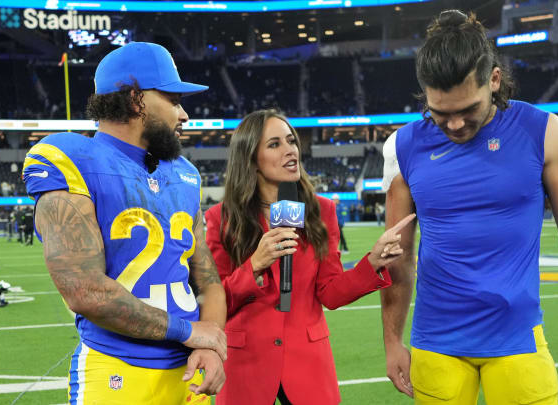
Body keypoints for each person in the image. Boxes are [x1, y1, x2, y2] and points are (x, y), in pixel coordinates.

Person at [380, 10, 558, 405]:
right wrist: (392, 340)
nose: (457, 125)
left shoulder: (544, 132)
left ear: (494, 80)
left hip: (517, 336)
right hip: (436, 341)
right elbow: (398, 256)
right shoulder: (402, 147)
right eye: (441, 113)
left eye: (468, 109)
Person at [23, 42, 227, 404]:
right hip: (118, 371)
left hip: (188, 375)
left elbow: (208, 282)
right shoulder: (71, 160)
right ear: (137, 99)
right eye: (174, 99)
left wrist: (210, 345)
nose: (184, 115)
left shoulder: (184, 175)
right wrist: (190, 332)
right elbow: (85, 290)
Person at [204, 109, 415, 405]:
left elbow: (330, 292)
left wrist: (373, 263)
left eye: (291, 141)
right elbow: (216, 301)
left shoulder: (322, 211)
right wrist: (254, 265)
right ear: (251, 159)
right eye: (275, 144)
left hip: (307, 363)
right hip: (245, 364)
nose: (290, 149)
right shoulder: (221, 218)